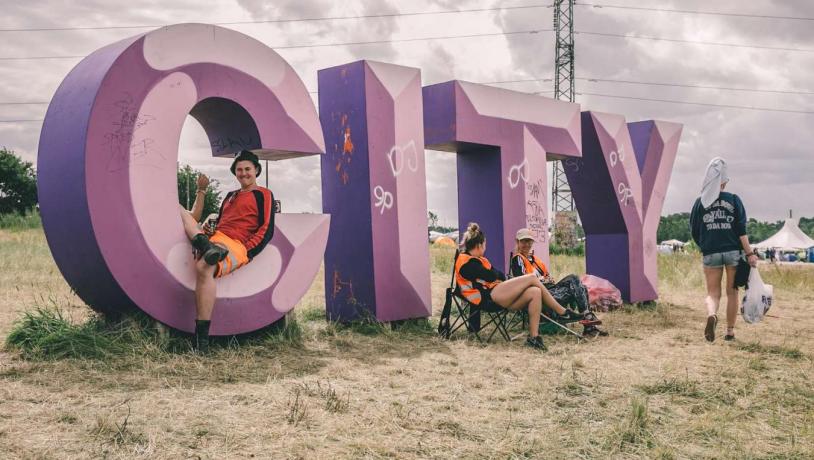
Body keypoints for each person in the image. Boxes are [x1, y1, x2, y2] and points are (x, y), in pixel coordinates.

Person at [179, 150, 275, 352]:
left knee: (204, 267)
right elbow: (223, 224)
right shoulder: (230, 196)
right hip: (216, 240)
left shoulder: (263, 194)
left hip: (236, 244)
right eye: (239, 170)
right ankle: (204, 244)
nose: (243, 173)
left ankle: (201, 341)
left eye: (247, 169)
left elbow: (266, 229)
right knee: (180, 210)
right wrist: (208, 231)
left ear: (256, 170)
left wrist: (247, 251)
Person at [455, 223, 583, 351]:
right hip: (487, 298)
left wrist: (494, 275)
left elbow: (499, 275)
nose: (485, 248)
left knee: (535, 292)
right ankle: (561, 312)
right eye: (484, 245)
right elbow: (491, 275)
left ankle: (533, 338)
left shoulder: (478, 260)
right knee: (532, 278)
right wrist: (494, 275)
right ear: (479, 245)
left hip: (498, 295)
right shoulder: (467, 262)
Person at [690, 157, 758, 343]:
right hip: (733, 253)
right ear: (724, 182)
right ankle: (729, 332)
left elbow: (694, 230)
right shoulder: (734, 200)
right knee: (732, 292)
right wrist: (750, 253)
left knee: (713, 293)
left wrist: (705, 245)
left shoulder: (699, 203)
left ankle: (712, 314)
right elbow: (741, 231)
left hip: (710, 252)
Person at [509, 228, 606, 337]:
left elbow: (547, 276)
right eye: (524, 241)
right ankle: (588, 320)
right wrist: (541, 280)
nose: (527, 244)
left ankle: (589, 326)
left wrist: (548, 279)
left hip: (551, 290)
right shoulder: (517, 259)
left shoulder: (536, 260)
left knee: (581, 287)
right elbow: (523, 281)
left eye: (529, 241)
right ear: (518, 242)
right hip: (540, 295)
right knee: (574, 279)